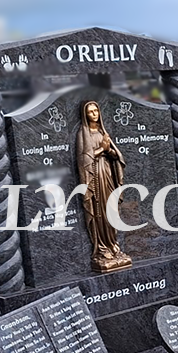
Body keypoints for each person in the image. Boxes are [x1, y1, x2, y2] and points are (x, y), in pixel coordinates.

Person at [75, 99, 132, 272]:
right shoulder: (83, 134)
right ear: (85, 115)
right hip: (94, 180)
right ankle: (102, 247)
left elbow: (117, 157)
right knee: (99, 213)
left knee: (111, 210)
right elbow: (83, 160)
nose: (94, 114)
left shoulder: (102, 132)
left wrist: (108, 150)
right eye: (90, 112)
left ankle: (113, 243)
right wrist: (101, 149)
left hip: (107, 176)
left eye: (96, 111)